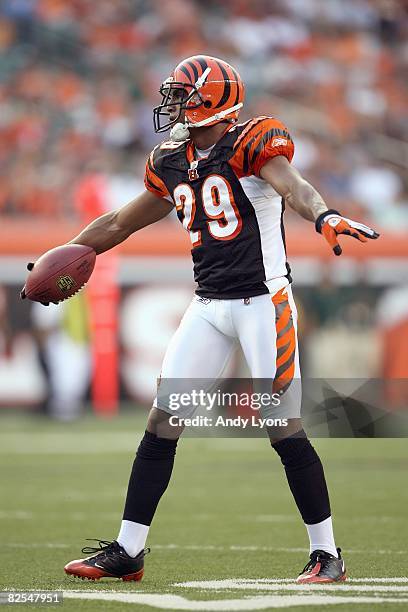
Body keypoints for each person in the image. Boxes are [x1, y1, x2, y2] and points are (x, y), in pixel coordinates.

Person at [32, 55, 379, 583]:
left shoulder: (253, 143)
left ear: (215, 100)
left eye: (184, 94)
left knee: (281, 426)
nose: (173, 103)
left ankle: (327, 554)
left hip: (263, 303)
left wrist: (325, 215)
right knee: (162, 421)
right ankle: (129, 550)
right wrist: (68, 253)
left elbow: (295, 187)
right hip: (210, 305)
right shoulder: (171, 159)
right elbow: (122, 221)